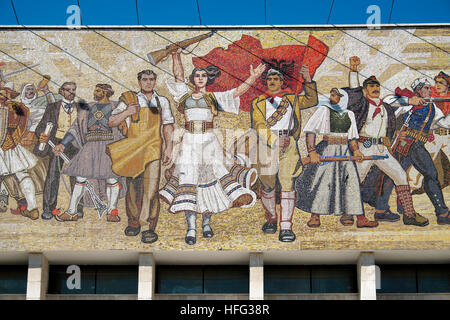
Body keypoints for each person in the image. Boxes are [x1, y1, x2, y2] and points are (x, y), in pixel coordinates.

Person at [159, 49, 263, 245]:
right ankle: (191, 227)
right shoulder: (185, 96)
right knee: (189, 183)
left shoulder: (214, 98)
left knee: (210, 183)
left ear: (208, 79)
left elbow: (237, 92)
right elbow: (178, 76)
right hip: (189, 143)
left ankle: (206, 223)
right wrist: (175, 55)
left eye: (203, 75)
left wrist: (253, 77)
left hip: (208, 143)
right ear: (193, 79)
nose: (200, 78)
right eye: (197, 75)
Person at [344, 56, 429, 227]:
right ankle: (347, 214)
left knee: (400, 175)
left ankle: (409, 215)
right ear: (365, 90)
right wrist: (353, 71)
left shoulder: (386, 106)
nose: (375, 88)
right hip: (364, 146)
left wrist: (412, 102)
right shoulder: (361, 104)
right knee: (355, 180)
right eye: (371, 86)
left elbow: (398, 104)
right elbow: (354, 91)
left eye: (377, 86)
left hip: (382, 149)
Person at [251, 66, 318, 242]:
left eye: (276, 79)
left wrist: (307, 79)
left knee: (288, 184)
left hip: (289, 145)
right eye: (269, 79)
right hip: (267, 145)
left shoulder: (292, 99)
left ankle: (286, 226)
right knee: (267, 185)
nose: (272, 82)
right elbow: (258, 125)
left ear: (282, 82)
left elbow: (312, 100)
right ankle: (272, 218)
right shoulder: (258, 101)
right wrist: (273, 140)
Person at [107, 70, 174, 244]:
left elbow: (168, 126)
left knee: (151, 190)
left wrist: (169, 149)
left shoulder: (162, 101)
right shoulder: (130, 100)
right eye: (145, 80)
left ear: (155, 81)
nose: (148, 83)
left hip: (153, 149)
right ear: (139, 82)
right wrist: (127, 112)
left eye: (151, 79)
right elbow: (111, 121)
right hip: (134, 150)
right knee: (133, 188)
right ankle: (134, 222)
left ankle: (147, 227)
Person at [295, 88, 378, 228]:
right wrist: (312, 152)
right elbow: (311, 132)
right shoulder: (324, 110)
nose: (331, 97)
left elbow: (352, 137)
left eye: (335, 95)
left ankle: (361, 218)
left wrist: (356, 151)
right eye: (331, 94)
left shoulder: (349, 114)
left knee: (352, 183)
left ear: (343, 99)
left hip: (345, 151)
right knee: (323, 182)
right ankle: (315, 215)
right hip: (327, 149)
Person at [373, 78, 450, 225]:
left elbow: (444, 123)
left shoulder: (432, 107)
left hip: (417, 144)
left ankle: (381, 210)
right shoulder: (408, 103)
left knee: (395, 175)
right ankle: (442, 212)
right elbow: (387, 102)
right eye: (426, 88)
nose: (429, 90)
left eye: (429, 88)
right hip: (407, 143)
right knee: (430, 174)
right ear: (418, 90)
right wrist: (409, 101)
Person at [52, 84, 127, 222]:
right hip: (90, 147)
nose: (95, 92)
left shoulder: (117, 106)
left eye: (98, 90)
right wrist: (62, 144)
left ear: (105, 92)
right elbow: (75, 128)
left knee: (112, 179)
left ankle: (112, 211)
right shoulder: (88, 107)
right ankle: (72, 212)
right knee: (80, 178)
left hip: (109, 147)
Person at [34, 81, 86, 220]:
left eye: (73, 89)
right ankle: (48, 209)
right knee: (53, 175)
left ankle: (77, 208)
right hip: (56, 144)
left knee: (78, 176)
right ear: (61, 91)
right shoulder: (52, 107)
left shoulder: (81, 108)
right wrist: (42, 135)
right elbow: (40, 128)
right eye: (68, 89)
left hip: (75, 145)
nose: (71, 92)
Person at [0, 83, 39, 220]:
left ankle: (32, 208)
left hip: (9, 146)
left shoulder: (17, 107)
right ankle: (31, 207)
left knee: (22, 175)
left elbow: (22, 125)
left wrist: (14, 141)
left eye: (5, 92)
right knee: (21, 175)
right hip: (10, 145)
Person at [407, 71, 449, 193]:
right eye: (436, 82)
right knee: (425, 160)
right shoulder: (430, 98)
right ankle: (411, 187)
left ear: (448, 86)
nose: (437, 85)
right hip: (434, 135)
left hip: (448, 136)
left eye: (441, 83)